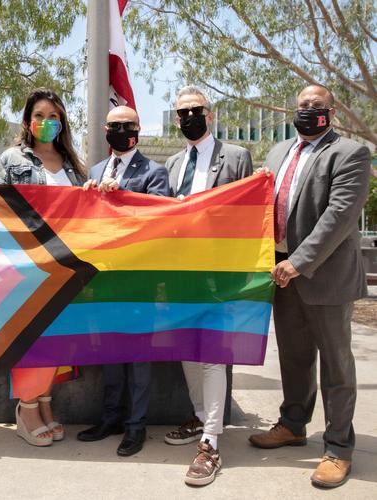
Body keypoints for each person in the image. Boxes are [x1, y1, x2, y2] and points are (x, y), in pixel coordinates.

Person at [248, 84, 371, 489]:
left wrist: (299, 263)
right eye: (302, 106)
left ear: (331, 113)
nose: (308, 111)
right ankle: (292, 424)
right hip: (279, 271)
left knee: (336, 364)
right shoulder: (277, 153)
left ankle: (338, 447)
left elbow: (340, 215)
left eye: (317, 106)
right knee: (294, 357)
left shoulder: (350, 153)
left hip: (324, 276)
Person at [164, 85, 253, 487]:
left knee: (213, 353)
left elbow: (249, 215)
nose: (188, 118)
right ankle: (200, 417)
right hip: (182, 272)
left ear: (210, 114)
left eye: (194, 110)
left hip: (220, 272)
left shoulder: (236, 157)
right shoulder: (171, 164)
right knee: (188, 347)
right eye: (181, 113)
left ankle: (212, 441)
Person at [0, 88, 86, 447]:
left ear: (62, 122)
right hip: (27, 266)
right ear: (28, 121)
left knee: (56, 339)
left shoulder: (73, 165)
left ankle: (45, 403)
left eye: (54, 116)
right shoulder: (13, 159)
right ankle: (26, 408)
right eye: (40, 115)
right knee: (33, 338)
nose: (47, 122)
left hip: (65, 265)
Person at [77, 105, 170, 456]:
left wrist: (122, 199)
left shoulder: (154, 171)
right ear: (105, 130)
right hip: (105, 279)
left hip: (140, 280)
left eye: (127, 125)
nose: (121, 130)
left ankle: (136, 426)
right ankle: (111, 418)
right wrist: (88, 198)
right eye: (114, 125)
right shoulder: (97, 169)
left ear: (138, 128)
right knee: (111, 354)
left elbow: (159, 218)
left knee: (138, 358)